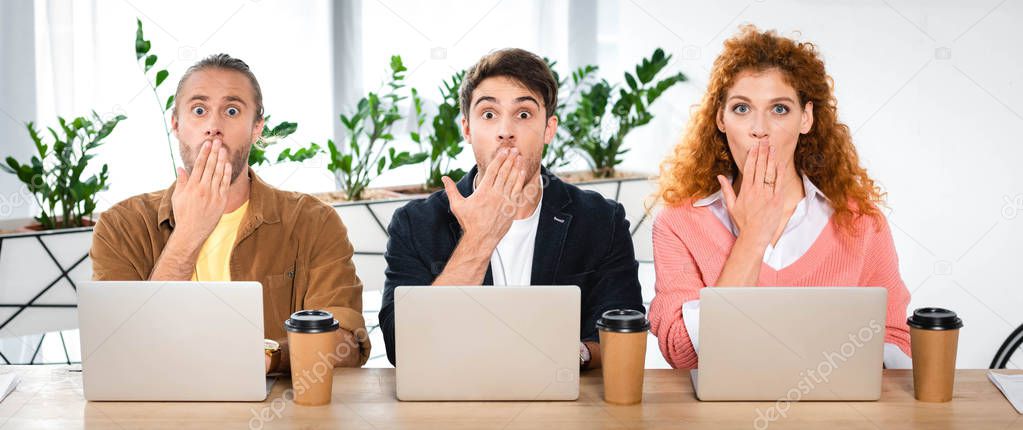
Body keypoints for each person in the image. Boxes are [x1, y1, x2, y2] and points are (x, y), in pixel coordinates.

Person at [648, 26, 913, 369]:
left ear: (806, 118)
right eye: (742, 108)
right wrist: (754, 236)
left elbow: (895, 342)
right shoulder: (677, 223)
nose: (760, 128)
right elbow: (683, 354)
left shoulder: (861, 222)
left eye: (780, 109)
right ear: (721, 119)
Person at [89, 54, 370, 373]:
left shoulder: (314, 222)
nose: (213, 127)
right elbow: (120, 351)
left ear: (256, 129)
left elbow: (347, 346)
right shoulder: (120, 226)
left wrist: (267, 356)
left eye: (232, 111)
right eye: (199, 110)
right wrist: (188, 234)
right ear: (176, 125)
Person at [379, 48, 645, 368]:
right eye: (489, 114)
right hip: (455, 404)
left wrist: (575, 353)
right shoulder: (414, 223)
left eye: (523, 114)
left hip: (566, 406)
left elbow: (624, 332)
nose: (506, 131)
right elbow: (403, 347)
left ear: (548, 128)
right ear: (467, 128)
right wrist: (478, 238)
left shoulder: (602, 221)